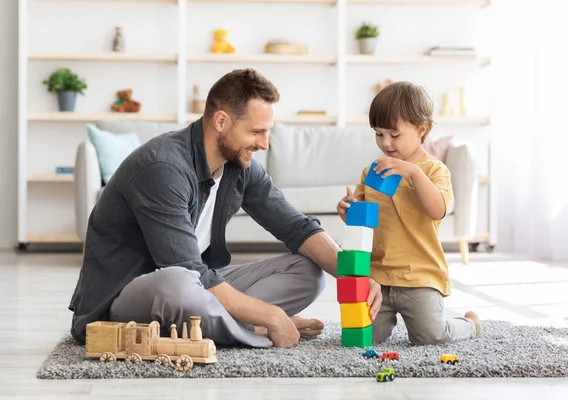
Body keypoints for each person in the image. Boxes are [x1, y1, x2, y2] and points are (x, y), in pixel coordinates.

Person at [68, 68, 383, 348]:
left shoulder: (240, 165)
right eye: (256, 131)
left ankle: (231, 323)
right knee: (179, 284)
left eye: (267, 131)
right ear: (221, 120)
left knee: (309, 272)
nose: (264, 143)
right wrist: (271, 315)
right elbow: (187, 272)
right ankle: (254, 329)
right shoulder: (163, 167)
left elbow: (296, 227)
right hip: (124, 301)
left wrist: (354, 276)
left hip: (198, 286)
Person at [336, 81, 482, 345]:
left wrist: (413, 172)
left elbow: (438, 210)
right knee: (367, 338)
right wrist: (348, 209)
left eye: (394, 134)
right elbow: (361, 221)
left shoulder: (434, 170)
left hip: (419, 275)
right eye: (379, 134)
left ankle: (469, 324)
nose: (385, 143)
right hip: (379, 276)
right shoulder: (373, 171)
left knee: (432, 337)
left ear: (421, 130)